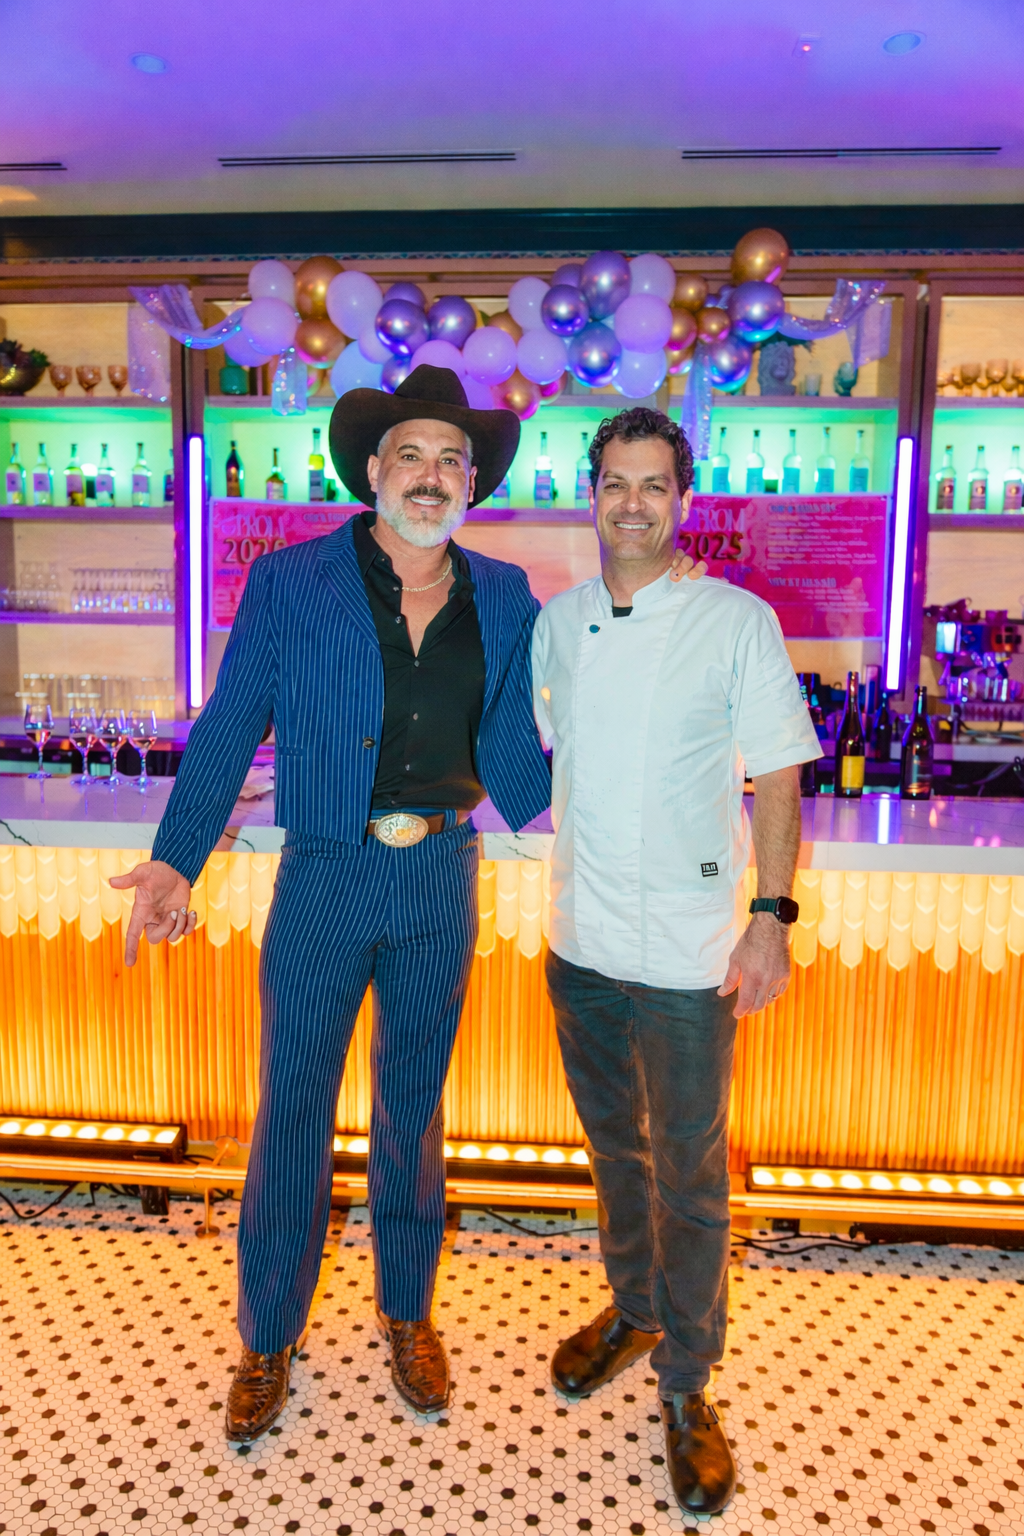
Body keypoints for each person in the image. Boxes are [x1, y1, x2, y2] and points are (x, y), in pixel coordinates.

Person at [110, 366, 557, 1442]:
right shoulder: (289, 583)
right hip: (321, 872)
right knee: (294, 1109)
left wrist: (605, 839)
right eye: (411, 453)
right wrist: (177, 860)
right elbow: (226, 726)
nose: (432, 473)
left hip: (439, 877)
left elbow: (518, 741)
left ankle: (406, 1314)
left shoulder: (504, 594)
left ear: (473, 481)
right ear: (371, 469)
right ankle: (267, 1336)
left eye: (453, 458)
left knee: (413, 1109)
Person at [531, 406, 822, 1516]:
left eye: (654, 485)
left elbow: (781, 774)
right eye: (615, 483)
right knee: (615, 1151)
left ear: (682, 501)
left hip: (697, 950)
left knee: (692, 1175)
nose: (634, 504)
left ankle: (688, 1384)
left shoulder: (736, 622)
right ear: (591, 495)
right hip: (582, 941)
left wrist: (772, 917)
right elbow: (549, 753)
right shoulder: (558, 625)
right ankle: (635, 1306)